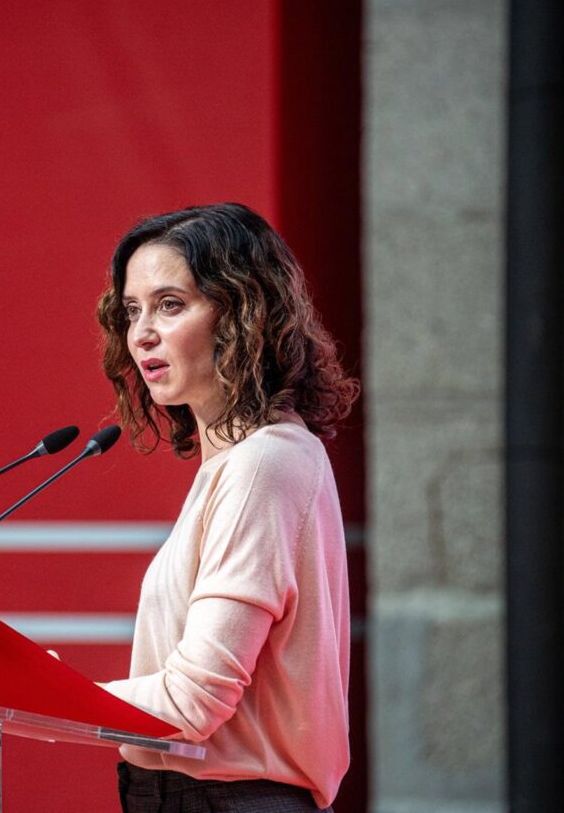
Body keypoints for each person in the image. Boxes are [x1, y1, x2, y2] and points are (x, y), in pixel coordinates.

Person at [96, 203, 360, 812]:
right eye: (132, 310)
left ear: (241, 314)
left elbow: (194, 704)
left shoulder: (263, 463)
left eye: (170, 305)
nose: (141, 334)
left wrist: (36, 696)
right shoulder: (241, 461)